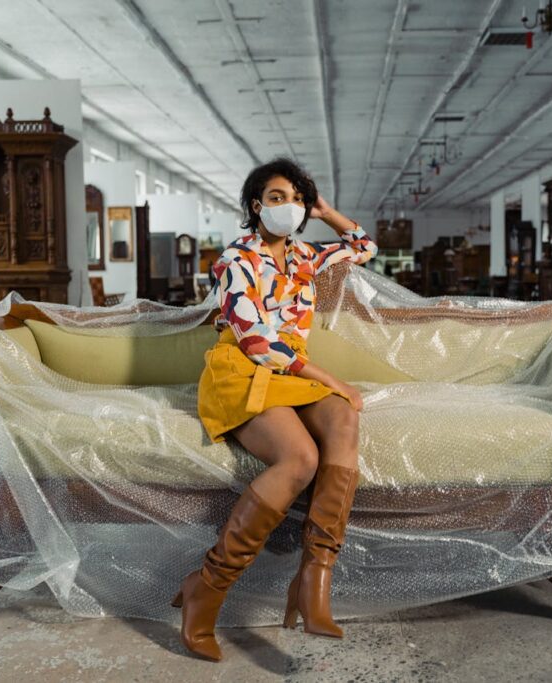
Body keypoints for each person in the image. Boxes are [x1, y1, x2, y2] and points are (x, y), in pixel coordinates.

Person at [170, 157, 378, 661]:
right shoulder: (235, 260)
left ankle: (314, 579)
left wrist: (326, 211)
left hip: (290, 373)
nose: (289, 207)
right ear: (256, 206)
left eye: (297, 199)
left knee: (345, 417)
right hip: (242, 368)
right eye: (277, 198)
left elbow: (364, 248)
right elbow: (258, 343)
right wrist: (330, 378)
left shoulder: (305, 256)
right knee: (300, 459)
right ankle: (209, 587)